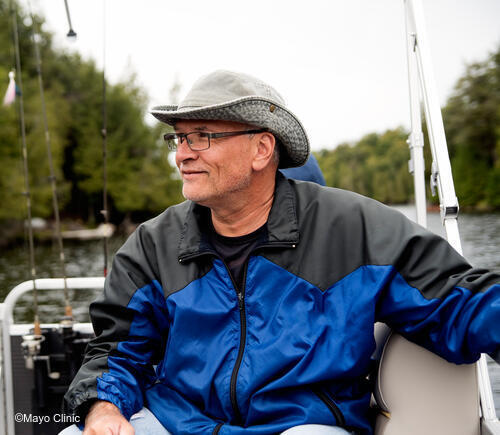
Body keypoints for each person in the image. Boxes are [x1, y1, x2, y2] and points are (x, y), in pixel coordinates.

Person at [62, 70, 500, 435]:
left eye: (201, 137)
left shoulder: (353, 228)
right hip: (184, 424)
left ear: (261, 149)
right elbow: (116, 350)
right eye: (177, 139)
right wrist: (102, 407)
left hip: (301, 426)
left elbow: (460, 301)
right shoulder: (152, 244)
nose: (182, 155)